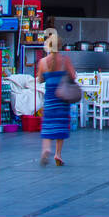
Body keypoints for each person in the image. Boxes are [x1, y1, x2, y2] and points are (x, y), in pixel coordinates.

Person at [35, 28, 77, 166]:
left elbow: (40, 79)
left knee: (48, 125)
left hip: (50, 98)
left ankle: (46, 149)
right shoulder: (65, 60)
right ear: (60, 46)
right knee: (60, 125)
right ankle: (58, 154)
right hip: (62, 98)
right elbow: (73, 76)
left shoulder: (42, 62)